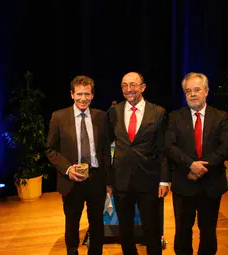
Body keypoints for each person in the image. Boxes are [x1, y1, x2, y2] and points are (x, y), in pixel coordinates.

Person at [165, 72, 228, 255]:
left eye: (197, 90)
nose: (192, 94)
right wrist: (190, 165)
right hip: (184, 182)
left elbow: (226, 146)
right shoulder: (174, 117)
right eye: (188, 91)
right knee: (182, 231)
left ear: (206, 92)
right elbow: (169, 146)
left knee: (208, 230)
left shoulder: (221, 117)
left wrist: (201, 167)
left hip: (211, 184)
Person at [46, 75, 111, 255]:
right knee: (72, 221)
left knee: (97, 221)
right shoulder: (58, 117)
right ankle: (72, 251)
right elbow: (50, 149)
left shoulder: (101, 116)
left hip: (96, 178)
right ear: (72, 95)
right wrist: (68, 169)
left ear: (92, 96)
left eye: (87, 94)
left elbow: (105, 149)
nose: (83, 98)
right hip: (71, 179)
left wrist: (108, 180)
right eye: (79, 94)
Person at [108, 72, 169, 255]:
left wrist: (164, 180)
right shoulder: (114, 112)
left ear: (143, 87)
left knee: (151, 228)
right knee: (125, 229)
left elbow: (163, 149)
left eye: (133, 85)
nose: (129, 89)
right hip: (121, 181)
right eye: (124, 85)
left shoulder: (158, 112)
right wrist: (108, 180)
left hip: (149, 180)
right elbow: (107, 147)